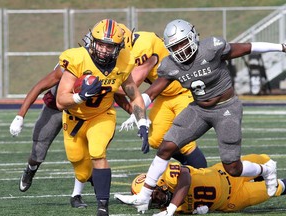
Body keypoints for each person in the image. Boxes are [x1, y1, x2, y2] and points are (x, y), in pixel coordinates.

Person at [112, 19, 286, 213]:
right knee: (166, 147)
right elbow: (150, 93)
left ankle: (266, 170)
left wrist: (281, 47)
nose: (180, 50)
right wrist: (137, 112)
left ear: (193, 37)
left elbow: (248, 47)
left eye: (182, 43)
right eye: (174, 47)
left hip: (226, 108)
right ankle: (144, 196)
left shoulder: (210, 48)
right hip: (199, 110)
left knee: (233, 168)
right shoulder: (171, 64)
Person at [55, 19, 148, 216]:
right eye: (102, 44)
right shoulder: (78, 59)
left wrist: (142, 122)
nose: (105, 50)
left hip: (101, 115)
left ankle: (102, 205)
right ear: (93, 41)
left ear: (118, 47)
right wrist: (80, 96)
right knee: (80, 167)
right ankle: (90, 182)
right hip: (73, 119)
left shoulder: (124, 61)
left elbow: (135, 95)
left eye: (111, 46)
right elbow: (60, 100)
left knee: (98, 152)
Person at [116, 24, 207, 167]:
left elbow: (130, 86)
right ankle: (188, 168)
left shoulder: (144, 45)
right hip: (164, 95)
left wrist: (104, 83)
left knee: (184, 141)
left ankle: (203, 178)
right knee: (156, 140)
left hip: (184, 91)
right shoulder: (130, 47)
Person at [9, 64, 89, 208]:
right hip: (55, 108)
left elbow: (117, 90)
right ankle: (31, 169)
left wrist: (138, 117)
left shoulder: (107, 67)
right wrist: (20, 116)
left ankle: (76, 195)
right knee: (38, 150)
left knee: (83, 154)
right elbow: (39, 87)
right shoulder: (70, 64)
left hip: (81, 112)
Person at [122, 154, 286, 215]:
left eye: (154, 195)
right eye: (152, 202)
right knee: (278, 187)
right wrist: (198, 211)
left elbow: (185, 178)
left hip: (225, 172)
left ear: (156, 185)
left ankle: (259, 176)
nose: (157, 200)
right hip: (232, 199)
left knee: (267, 161)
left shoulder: (168, 177)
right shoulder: (167, 212)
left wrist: (173, 206)